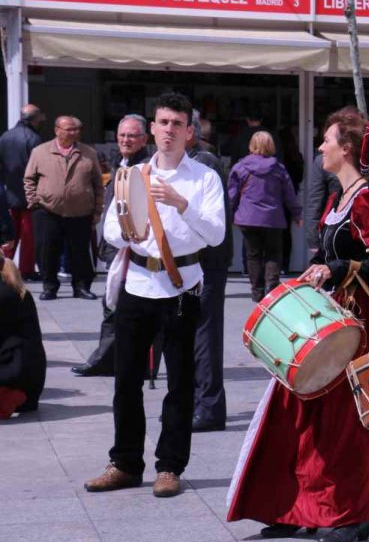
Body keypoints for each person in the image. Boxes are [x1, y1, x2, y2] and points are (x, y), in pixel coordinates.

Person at [227, 107, 369, 542]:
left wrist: (335, 268)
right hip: (322, 319)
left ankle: (350, 514)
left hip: (354, 322)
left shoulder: (368, 199)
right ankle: (294, 507)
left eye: (326, 140)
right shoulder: (337, 197)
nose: (319, 146)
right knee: (297, 413)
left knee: (343, 425)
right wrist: (317, 268)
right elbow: (329, 255)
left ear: (345, 148)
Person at [83, 92, 226, 499]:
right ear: (152, 128)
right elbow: (110, 229)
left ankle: (170, 467)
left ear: (189, 132)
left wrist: (182, 204)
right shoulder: (133, 173)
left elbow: (215, 235)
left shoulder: (204, 179)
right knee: (126, 378)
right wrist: (130, 232)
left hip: (182, 285)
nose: (168, 131)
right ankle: (125, 463)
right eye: (162, 123)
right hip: (138, 284)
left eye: (177, 124)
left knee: (180, 382)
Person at [72, 114, 151, 378]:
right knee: (113, 302)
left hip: (132, 248)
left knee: (116, 304)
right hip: (115, 245)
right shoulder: (122, 162)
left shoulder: (146, 167)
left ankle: (108, 359)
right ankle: (113, 359)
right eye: (122, 135)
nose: (126, 140)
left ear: (144, 139)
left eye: (132, 135)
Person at [188, 110, 233, 433]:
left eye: (177, 126)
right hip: (187, 264)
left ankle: (209, 406)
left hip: (206, 262)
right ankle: (194, 401)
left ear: (191, 131)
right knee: (189, 333)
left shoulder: (204, 162)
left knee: (204, 334)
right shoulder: (182, 163)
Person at [24, 115, 103, 301]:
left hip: (81, 212)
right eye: (70, 129)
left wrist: (97, 210)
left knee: (80, 253)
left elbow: (98, 183)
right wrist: (34, 201)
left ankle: (81, 287)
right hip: (48, 211)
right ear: (57, 130)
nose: (75, 132)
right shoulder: (40, 151)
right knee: (48, 252)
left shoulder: (88, 153)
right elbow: (29, 179)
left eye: (77, 129)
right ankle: (49, 287)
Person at [229, 131, 301, 302]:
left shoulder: (240, 167)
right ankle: (272, 287)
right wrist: (297, 213)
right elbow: (289, 195)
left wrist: (229, 214)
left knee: (253, 254)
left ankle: (256, 291)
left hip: (247, 217)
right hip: (273, 218)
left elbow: (232, 195)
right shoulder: (278, 169)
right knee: (273, 254)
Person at [0, 104, 46, 279]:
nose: (43, 119)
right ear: (34, 119)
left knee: (9, 235)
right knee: (28, 237)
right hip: (28, 195)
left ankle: (4, 266)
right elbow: (38, 169)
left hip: (9, 193)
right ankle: (26, 270)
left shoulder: (5, 136)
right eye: (40, 116)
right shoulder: (34, 138)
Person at [0, 255, 46, 418]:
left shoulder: (4, 293)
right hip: (26, 371)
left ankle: (9, 397)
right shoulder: (14, 288)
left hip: (15, 369)